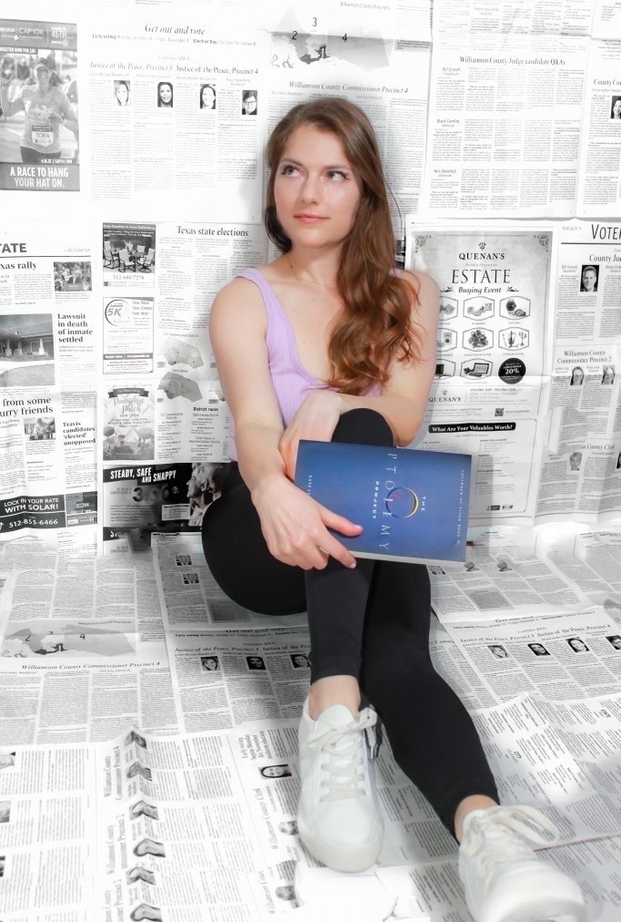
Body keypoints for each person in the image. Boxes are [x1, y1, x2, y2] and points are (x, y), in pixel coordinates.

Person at [201, 97, 585, 922]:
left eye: (333, 174)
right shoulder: (244, 298)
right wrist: (274, 489)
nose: (309, 192)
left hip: (365, 525)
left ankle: (487, 837)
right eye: (292, 170)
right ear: (272, 183)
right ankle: (333, 707)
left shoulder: (408, 293)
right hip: (262, 532)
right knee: (364, 447)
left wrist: (333, 404)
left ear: (366, 191)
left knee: (401, 647)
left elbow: (400, 416)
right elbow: (256, 427)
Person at [0, 59, 78, 164]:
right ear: (34, 72)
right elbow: (8, 111)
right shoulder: (26, 91)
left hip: (52, 151)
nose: (42, 73)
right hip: (29, 148)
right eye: (39, 70)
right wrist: (4, 91)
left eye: (46, 70)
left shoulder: (60, 96)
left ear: (51, 73)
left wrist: (62, 120)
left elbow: (76, 126)